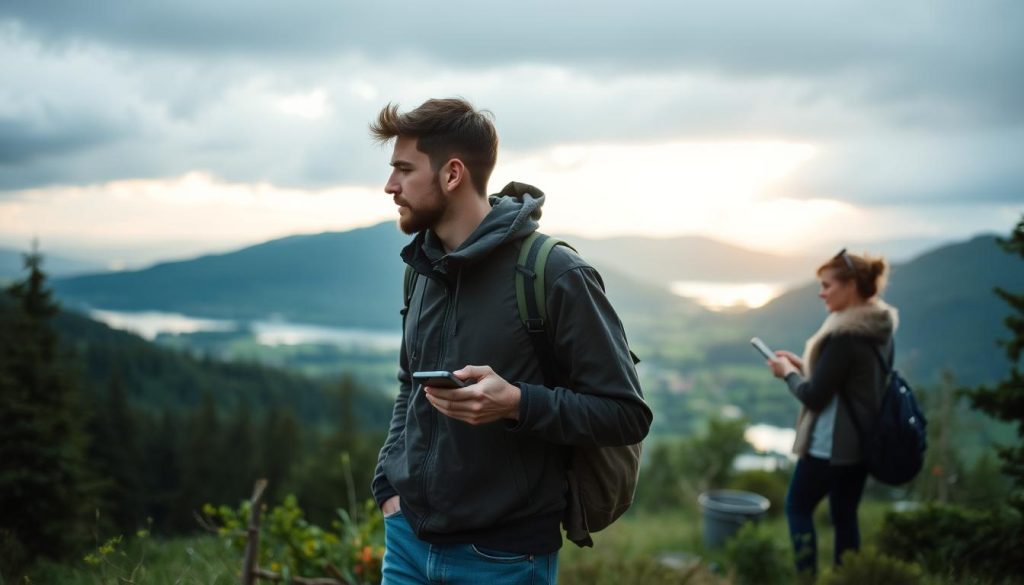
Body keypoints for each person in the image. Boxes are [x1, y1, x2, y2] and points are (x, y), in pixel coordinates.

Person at [368, 98, 652, 585]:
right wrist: (387, 486)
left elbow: (626, 415)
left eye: (403, 169)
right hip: (408, 543)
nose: (390, 186)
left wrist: (519, 403)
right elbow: (408, 385)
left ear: (452, 174)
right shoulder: (420, 271)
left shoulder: (555, 274)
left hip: (502, 558)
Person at [764, 248, 897, 576]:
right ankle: (848, 578)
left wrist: (788, 374)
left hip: (829, 446)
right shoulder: (879, 329)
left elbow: (814, 397)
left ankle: (806, 577)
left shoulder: (844, 336)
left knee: (797, 507)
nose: (821, 292)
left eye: (827, 285)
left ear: (850, 285)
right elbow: (848, 383)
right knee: (845, 517)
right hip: (861, 445)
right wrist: (805, 366)